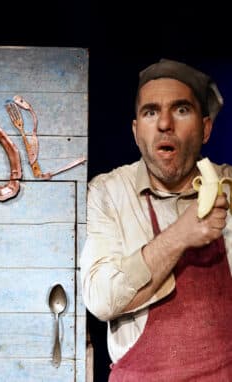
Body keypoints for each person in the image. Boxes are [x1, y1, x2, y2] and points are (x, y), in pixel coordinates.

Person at [80, 58, 232, 381]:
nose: (165, 123)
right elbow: (101, 299)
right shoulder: (108, 193)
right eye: (150, 112)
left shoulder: (228, 187)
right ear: (136, 132)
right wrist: (180, 235)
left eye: (181, 110)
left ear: (206, 128)